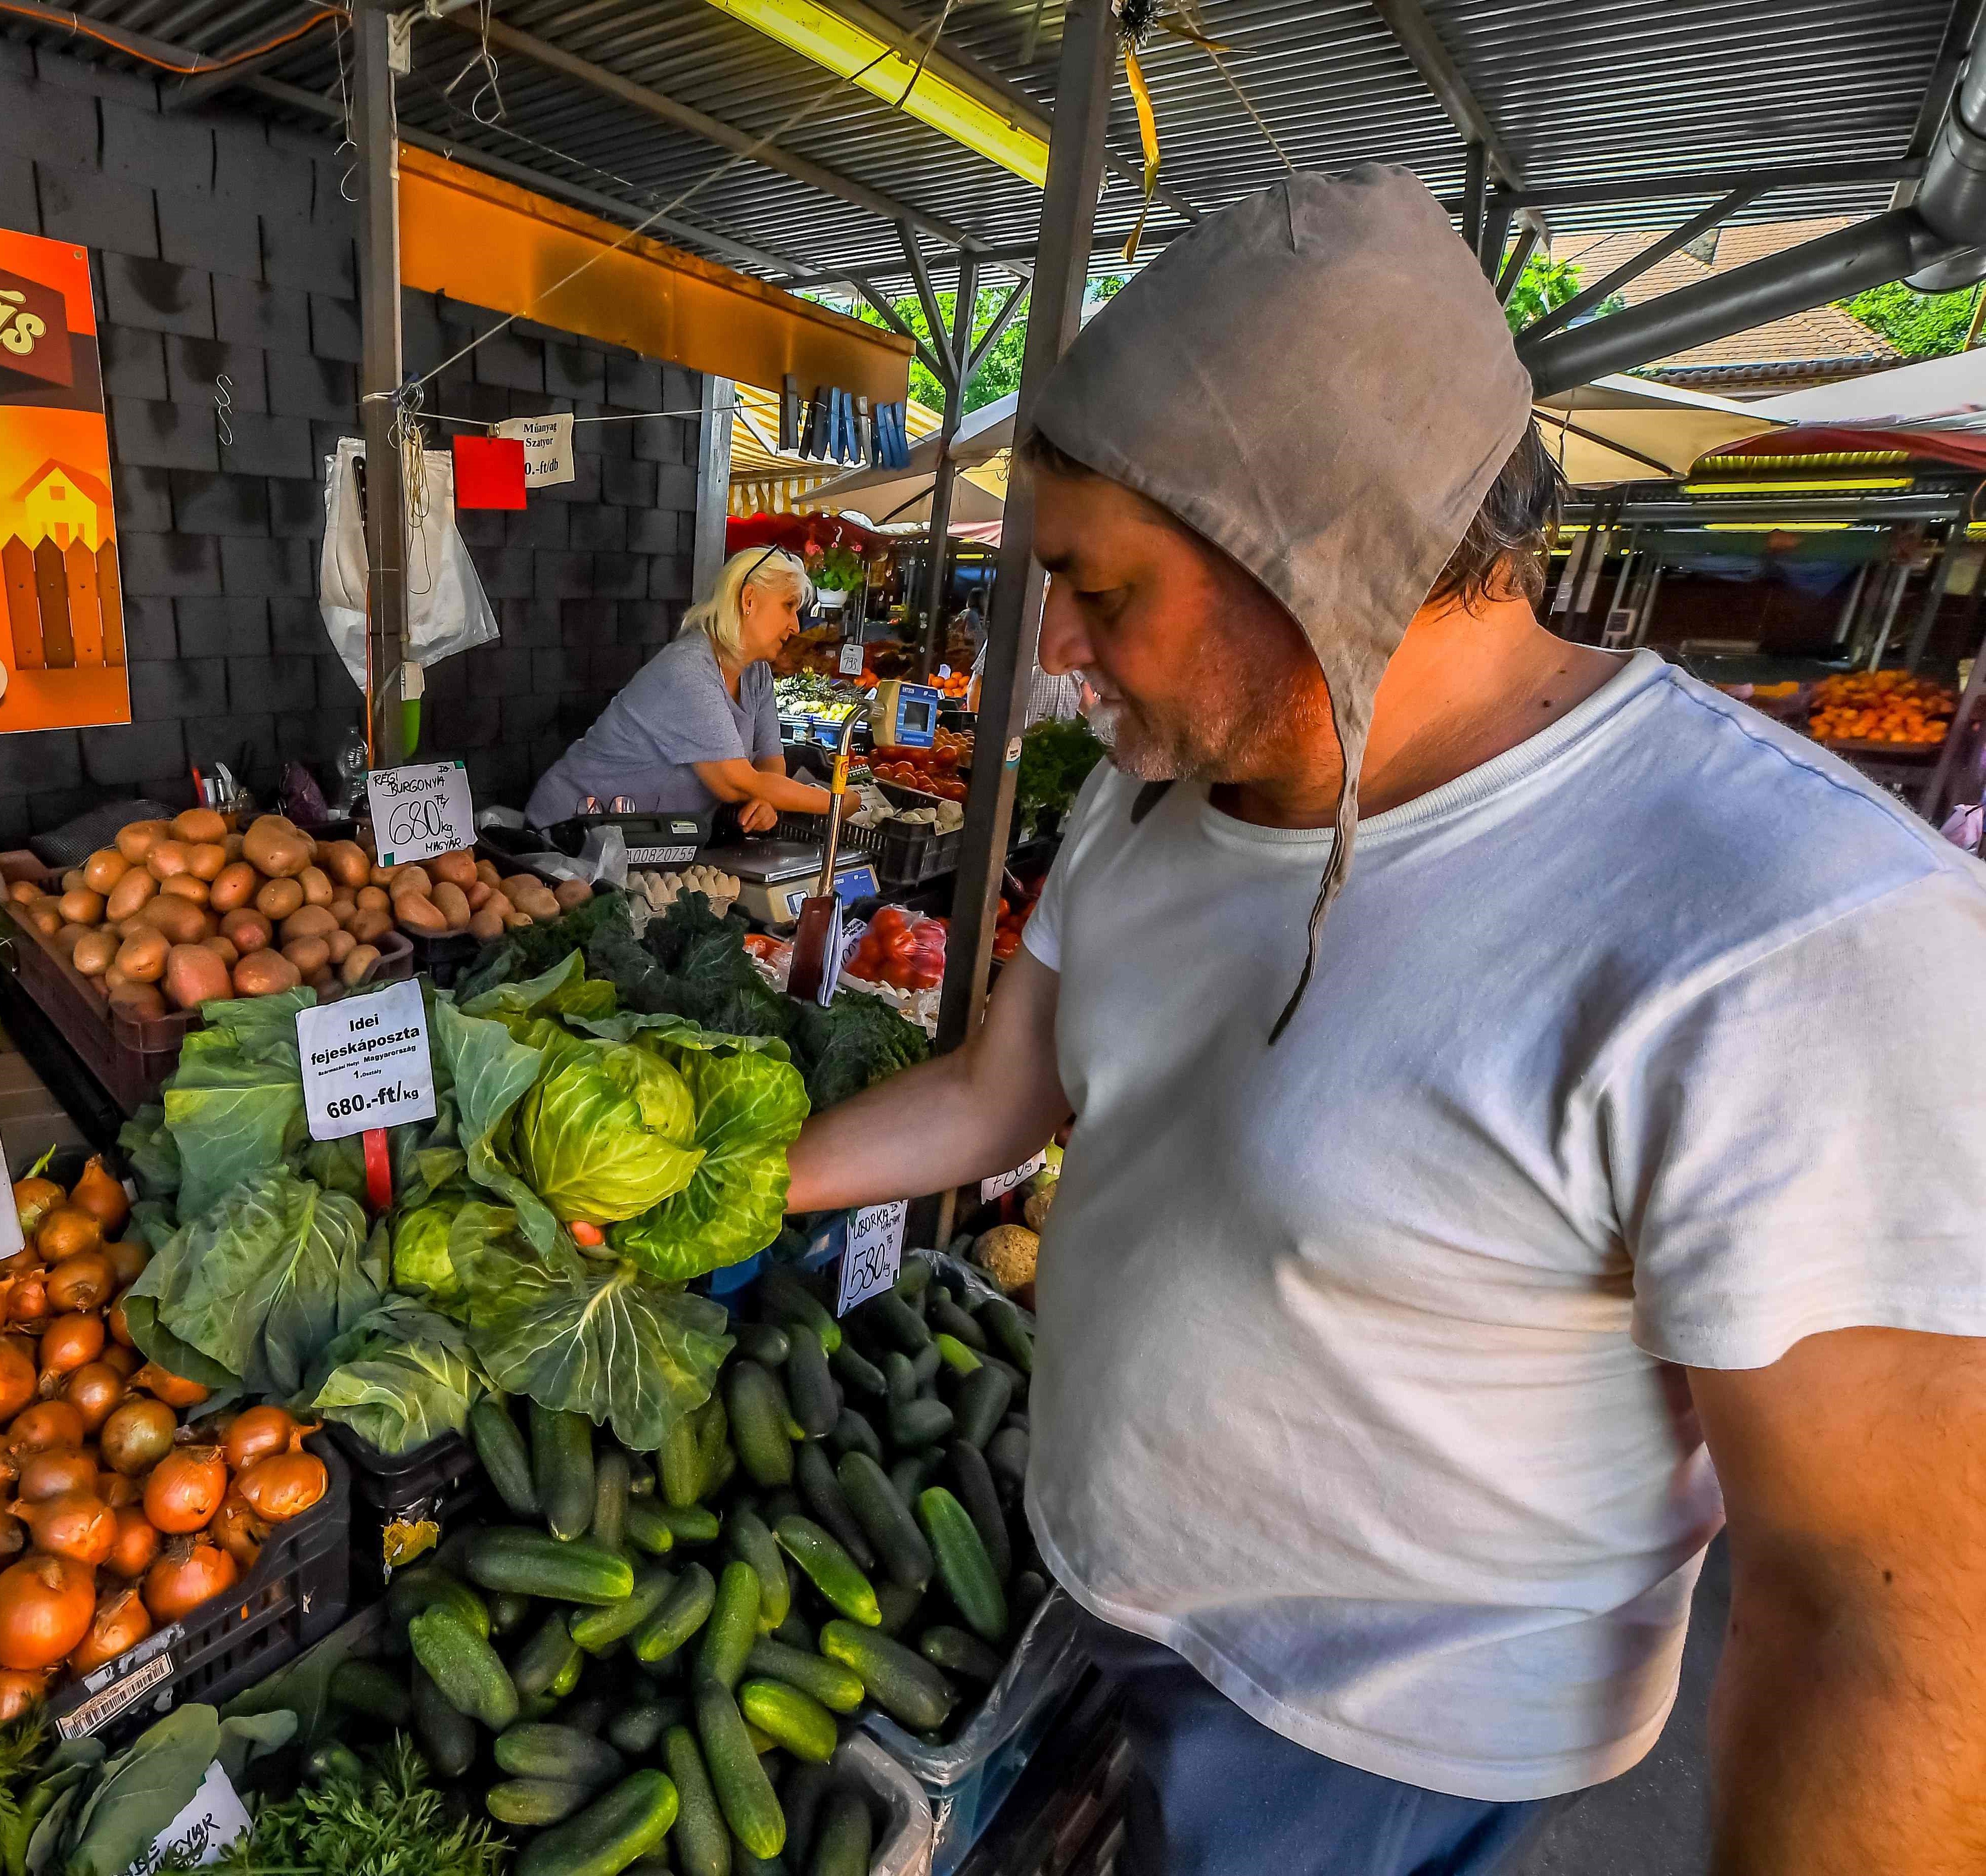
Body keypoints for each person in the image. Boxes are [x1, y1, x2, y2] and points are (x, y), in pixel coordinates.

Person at [786, 166, 1986, 1875]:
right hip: (1097, 1618)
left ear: (1312, 548)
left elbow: (1896, 1628)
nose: (1051, 648)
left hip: (1379, 1761)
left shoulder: (1781, 924)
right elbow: (997, 1094)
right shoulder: (1146, 807)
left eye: (1098, 588)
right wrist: (693, 1190)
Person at [525, 546, 860, 832]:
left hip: (639, 838)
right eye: (788, 606)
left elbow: (771, 761)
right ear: (749, 600)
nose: (795, 625)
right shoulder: (688, 669)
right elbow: (734, 782)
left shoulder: (756, 674)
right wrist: (835, 802)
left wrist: (765, 800)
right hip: (569, 829)